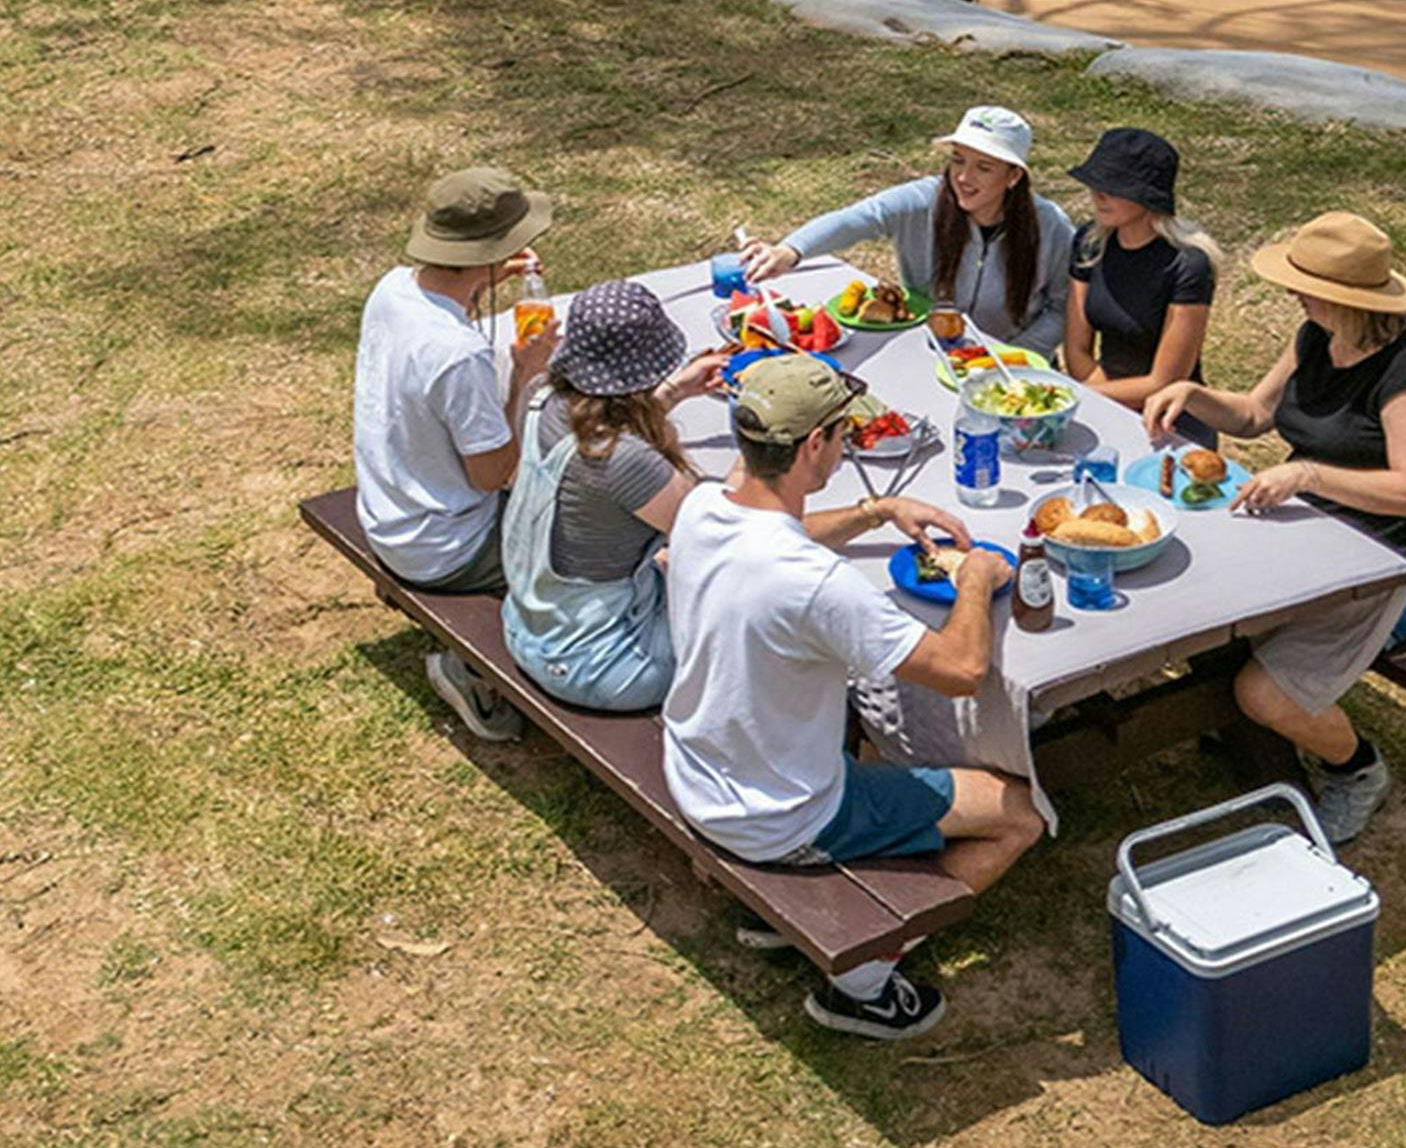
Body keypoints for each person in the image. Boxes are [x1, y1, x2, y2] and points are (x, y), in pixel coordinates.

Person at [662, 355, 1044, 1040]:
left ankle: (793, 907)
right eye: (842, 434)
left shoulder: (700, 508)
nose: (846, 444)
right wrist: (978, 580)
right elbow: (959, 669)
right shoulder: (815, 585)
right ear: (815, 446)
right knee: (1022, 813)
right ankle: (864, 975)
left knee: (876, 741)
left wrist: (876, 510)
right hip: (780, 815)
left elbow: (780, 530)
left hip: (698, 774)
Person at [1142, 212, 1406, 843]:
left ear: (1347, 297)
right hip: (1304, 540)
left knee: (1265, 694)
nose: (1292, 293)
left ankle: (1358, 771)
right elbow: (1254, 414)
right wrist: (1189, 393)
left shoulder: (1404, 372)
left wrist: (1308, 476)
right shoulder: (1313, 335)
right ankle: (1237, 734)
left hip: (1382, 572)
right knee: (1183, 599)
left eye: (1304, 284)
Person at [353, 165, 556, 744]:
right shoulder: (458, 355)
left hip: (388, 506)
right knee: (601, 548)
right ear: (490, 254)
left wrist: (482, 279)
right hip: (447, 546)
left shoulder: (392, 287)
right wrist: (524, 375)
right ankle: (472, 665)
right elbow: (494, 474)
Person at [500, 280, 731, 713]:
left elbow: (598, 442)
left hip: (527, 627)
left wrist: (675, 392)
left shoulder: (542, 398)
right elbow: (716, 533)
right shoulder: (627, 460)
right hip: (604, 670)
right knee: (740, 610)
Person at [738, 106, 1074, 354]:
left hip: (1011, 367)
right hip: (927, 349)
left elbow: (1062, 308)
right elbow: (858, 218)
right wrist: (790, 251)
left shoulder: (1051, 226)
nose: (963, 177)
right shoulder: (924, 199)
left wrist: (1018, 353)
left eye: (983, 167)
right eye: (957, 160)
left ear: (1013, 176)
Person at [1063, 126, 1222, 447]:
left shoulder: (1188, 264)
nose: (1098, 195)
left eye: (1114, 187)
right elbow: (1076, 349)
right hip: (1101, 397)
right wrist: (1099, 399)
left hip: (1169, 417)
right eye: (1096, 184)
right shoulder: (1089, 243)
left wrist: (1078, 396)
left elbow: (1166, 381)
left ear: (1149, 197)